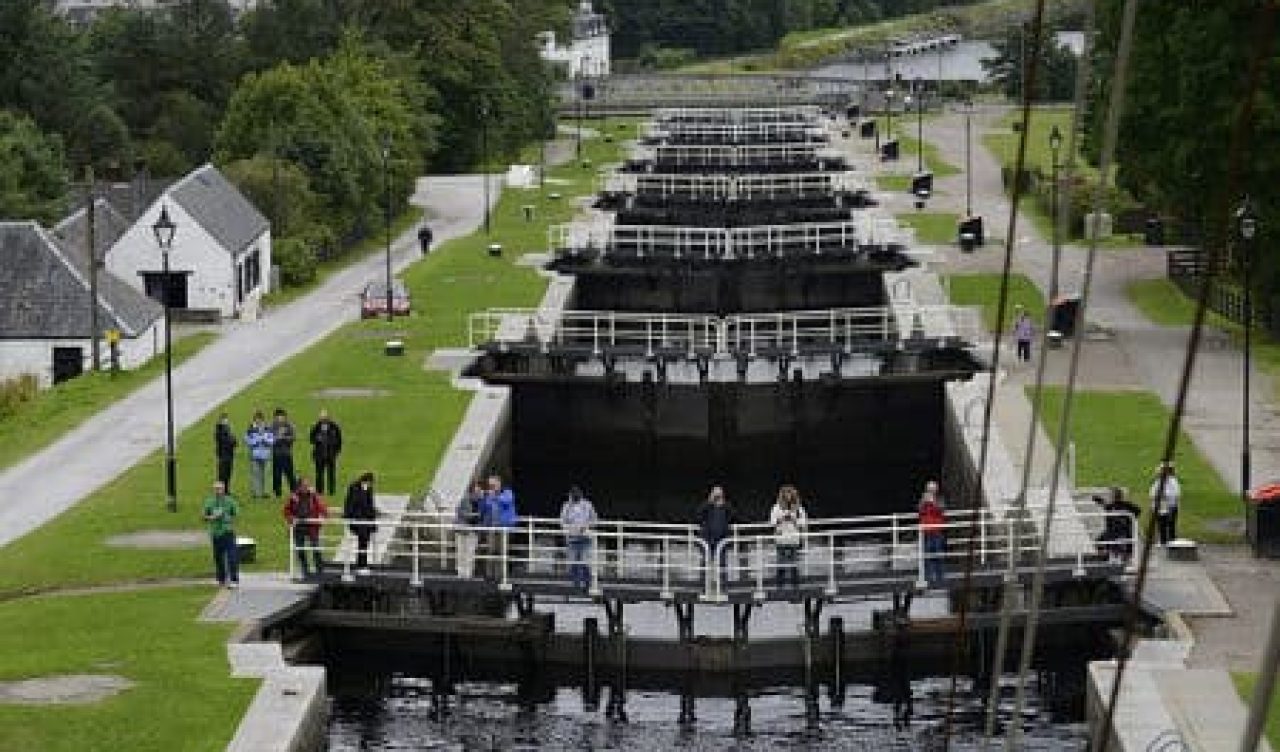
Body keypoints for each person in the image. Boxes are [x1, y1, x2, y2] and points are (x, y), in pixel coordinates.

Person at [283, 478, 328, 577]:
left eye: (307, 485)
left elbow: (323, 508)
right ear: (299, 487)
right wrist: (291, 519)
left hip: (312, 526)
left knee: (316, 547)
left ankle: (319, 569)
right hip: (298, 527)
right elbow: (286, 511)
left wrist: (322, 516)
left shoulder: (314, 496)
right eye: (304, 486)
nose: (306, 488)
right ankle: (305, 570)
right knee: (300, 549)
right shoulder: (293, 498)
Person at [202, 481, 239, 588]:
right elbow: (204, 516)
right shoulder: (209, 501)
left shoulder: (230, 501)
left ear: (224, 489)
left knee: (232, 556)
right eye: (216, 489)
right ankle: (221, 579)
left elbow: (236, 513)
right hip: (215, 532)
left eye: (220, 489)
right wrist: (212, 517)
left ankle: (234, 579)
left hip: (227, 531)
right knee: (218, 557)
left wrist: (226, 517)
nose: (218, 491)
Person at [560, 486, 598, 590]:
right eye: (573, 494)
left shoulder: (587, 504)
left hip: (585, 537)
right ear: (570, 495)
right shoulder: (566, 506)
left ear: (581, 494)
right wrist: (569, 530)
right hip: (572, 538)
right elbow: (562, 521)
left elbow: (594, 519)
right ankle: (576, 584)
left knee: (585, 561)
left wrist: (586, 527)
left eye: (577, 494)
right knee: (573, 562)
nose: (575, 496)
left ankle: (587, 583)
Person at [769, 484, 808, 589]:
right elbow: (772, 523)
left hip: (794, 539)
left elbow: (803, 523)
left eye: (790, 493)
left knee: (794, 565)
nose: (788, 495)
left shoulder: (799, 509)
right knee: (780, 565)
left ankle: (795, 588)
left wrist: (794, 519)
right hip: (781, 539)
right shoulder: (776, 507)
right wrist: (781, 519)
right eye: (786, 493)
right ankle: (779, 588)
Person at [696, 486, 736, 579]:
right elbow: (698, 515)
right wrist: (709, 502)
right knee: (705, 563)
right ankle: (703, 585)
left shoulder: (726, 506)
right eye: (715, 493)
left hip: (721, 539)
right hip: (707, 538)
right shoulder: (707, 505)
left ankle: (723, 586)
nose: (717, 496)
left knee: (722, 564)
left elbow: (734, 516)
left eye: (719, 493)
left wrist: (724, 504)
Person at [484, 475, 519, 574]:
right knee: (491, 551)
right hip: (492, 526)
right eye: (490, 484)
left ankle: (501, 575)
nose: (491, 486)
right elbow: (487, 505)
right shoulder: (490, 495)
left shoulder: (507, 492)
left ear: (498, 483)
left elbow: (506, 501)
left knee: (502, 551)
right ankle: (489, 574)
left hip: (504, 527)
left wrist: (494, 496)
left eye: (493, 484)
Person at [343, 472, 376, 574]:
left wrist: (373, 516)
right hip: (358, 520)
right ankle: (361, 565)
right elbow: (351, 503)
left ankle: (362, 564)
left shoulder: (368, 489)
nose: (370, 485)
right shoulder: (354, 487)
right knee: (362, 542)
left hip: (366, 521)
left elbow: (369, 504)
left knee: (364, 543)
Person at [1098, 487, 1142, 563]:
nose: (1110, 497)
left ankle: (1125, 556)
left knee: (1117, 539)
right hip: (1112, 531)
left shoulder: (1125, 505)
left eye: (1111, 495)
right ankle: (1106, 556)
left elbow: (1138, 511)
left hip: (1122, 531)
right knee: (1099, 541)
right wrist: (1100, 501)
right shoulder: (1111, 506)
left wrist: (1129, 518)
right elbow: (1106, 505)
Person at [454, 480, 487, 577]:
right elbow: (459, 512)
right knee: (461, 551)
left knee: (470, 552)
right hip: (462, 528)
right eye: (476, 489)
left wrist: (483, 500)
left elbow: (485, 514)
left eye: (479, 489)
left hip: (474, 530)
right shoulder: (465, 499)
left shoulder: (483, 501)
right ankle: (460, 572)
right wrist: (470, 515)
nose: (477, 491)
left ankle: (468, 573)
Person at [309, 409, 343, 496]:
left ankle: (331, 491)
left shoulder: (334, 427)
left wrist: (336, 452)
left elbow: (339, 440)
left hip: (331, 455)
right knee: (319, 474)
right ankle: (319, 491)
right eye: (322, 417)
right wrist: (317, 439)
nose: (323, 419)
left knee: (331, 474)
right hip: (319, 455)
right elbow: (311, 439)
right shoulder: (316, 427)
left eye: (325, 417)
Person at [918, 488, 947, 587]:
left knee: (938, 554)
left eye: (932, 489)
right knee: (927, 555)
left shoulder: (939, 499)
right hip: (927, 531)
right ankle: (928, 576)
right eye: (929, 489)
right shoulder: (924, 499)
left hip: (937, 531)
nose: (931, 490)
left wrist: (933, 502)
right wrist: (924, 503)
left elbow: (941, 510)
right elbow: (920, 511)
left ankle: (940, 576)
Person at [1149, 461, 1181, 545]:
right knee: (1161, 526)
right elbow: (1152, 493)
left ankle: (1171, 542)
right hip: (1160, 507)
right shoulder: (1158, 481)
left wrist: (1163, 495)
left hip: (1170, 507)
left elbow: (1176, 494)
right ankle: (1163, 541)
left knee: (1170, 526)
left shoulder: (1173, 481)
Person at [244, 411, 273, 499]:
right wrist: (255, 442)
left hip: (266, 455)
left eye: (260, 419)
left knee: (266, 475)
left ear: (262, 420)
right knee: (256, 474)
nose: (258, 421)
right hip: (255, 455)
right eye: (257, 419)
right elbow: (246, 440)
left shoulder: (267, 428)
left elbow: (272, 440)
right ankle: (256, 492)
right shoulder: (250, 429)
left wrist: (265, 440)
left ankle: (266, 492)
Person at [271, 408, 298, 499]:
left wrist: (284, 438)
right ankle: (277, 492)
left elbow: (293, 437)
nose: (280, 418)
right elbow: (271, 439)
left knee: (290, 473)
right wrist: (277, 438)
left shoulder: (289, 426)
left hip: (286, 454)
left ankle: (294, 490)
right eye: (278, 416)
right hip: (276, 454)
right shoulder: (272, 426)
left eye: (281, 416)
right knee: (276, 474)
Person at [214, 413, 237, 490]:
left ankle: (226, 489)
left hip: (230, 454)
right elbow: (225, 440)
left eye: (226, 419)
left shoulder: (228, 429)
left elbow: (234, 441)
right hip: (223, 455)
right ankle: (221, 490)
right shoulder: (219, 429)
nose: (226, 421)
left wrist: (232, 440)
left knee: (228, 473)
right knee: (222, 474)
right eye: (224, 420)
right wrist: (231, 440)